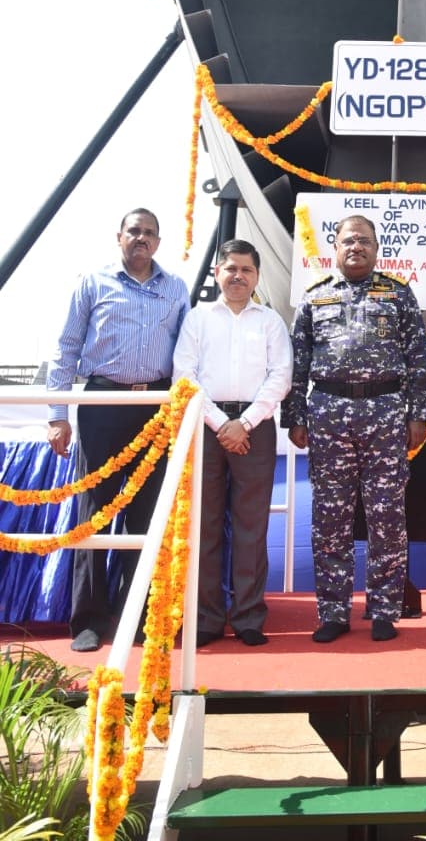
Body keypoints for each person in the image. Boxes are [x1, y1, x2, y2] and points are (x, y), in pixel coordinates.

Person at [46, 209, 190, 651]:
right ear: (119, 237)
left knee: (148, 516)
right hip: (103, 403)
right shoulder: (93, 282)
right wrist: (57, 414)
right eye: (134, 231)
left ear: (158, 242)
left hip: (155, 408)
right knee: (95, 513)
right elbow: (66, 348)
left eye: (149, 233)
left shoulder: (176, 288)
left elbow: (187, 350)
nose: (141, 239)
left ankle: (142, 615)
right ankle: (89, 621)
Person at [286, 215, 426, 644]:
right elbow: (298, 364)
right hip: (329, 412)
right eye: (349, 240)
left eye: (365, 241)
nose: (356, 247)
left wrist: (419, 414)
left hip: (386, 410)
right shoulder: (315, 299)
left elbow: (420, 362)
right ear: (335, 247)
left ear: (376, 248)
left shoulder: (398, 294)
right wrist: (295, 416)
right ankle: (332, 611)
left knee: (387, 514)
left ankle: (385, 608)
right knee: (330, 518)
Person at [172, 239, 292, 647]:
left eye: (247, 269)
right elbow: (184, 376)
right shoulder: (198, 319)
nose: (238, 276)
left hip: (255, 427)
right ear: (217, 273)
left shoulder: (270, 322)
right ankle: (205, 619)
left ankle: (248, 617)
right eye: (231, 268)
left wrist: (244, 422)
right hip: (205, 425)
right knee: (203, 525)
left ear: (257, 277)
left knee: (251, 527)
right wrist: (223, 424)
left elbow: (281, 377)